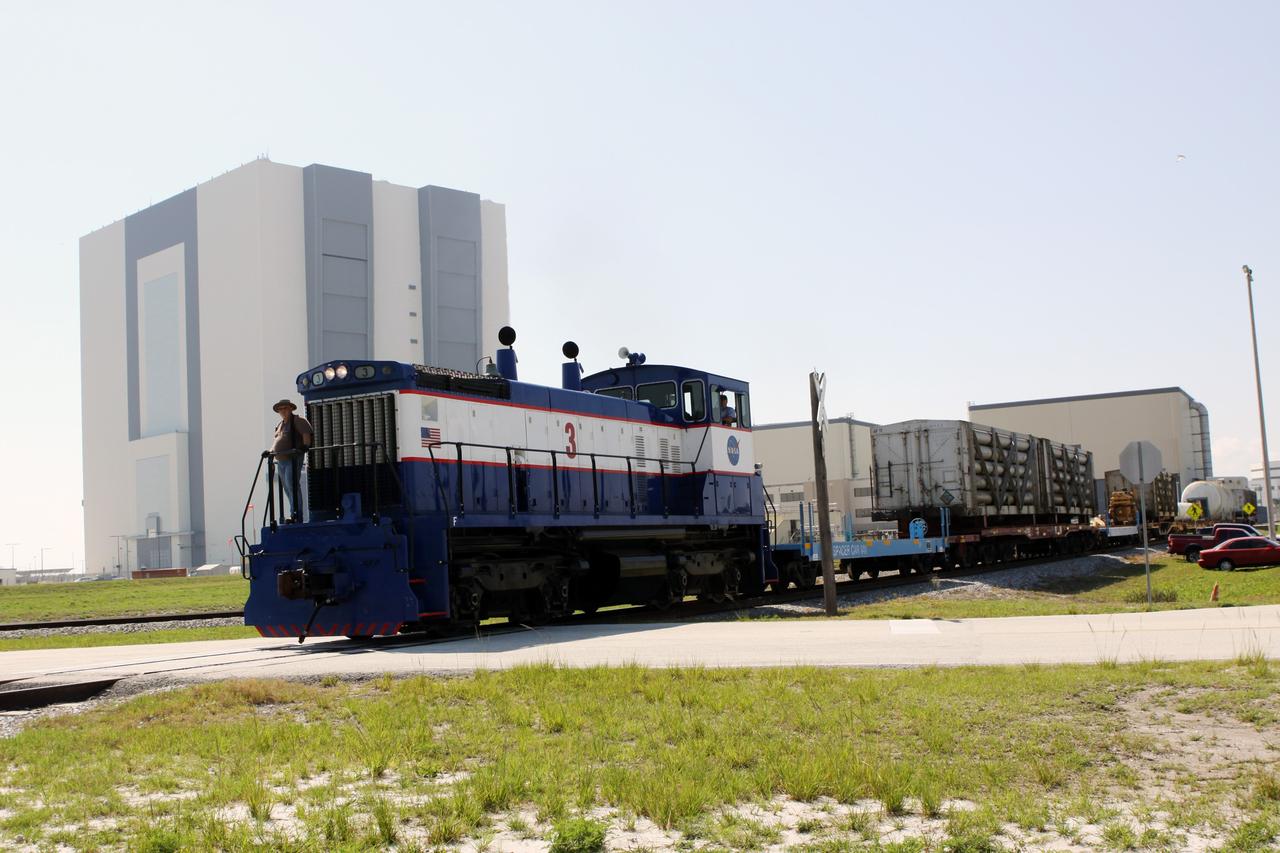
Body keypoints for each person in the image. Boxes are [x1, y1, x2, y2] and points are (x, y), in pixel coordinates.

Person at [271, 399, 313, 521]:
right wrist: (270, 452)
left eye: (285, 408)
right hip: (281, 461)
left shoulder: (298, 421)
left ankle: (296, 514)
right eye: (280, 409)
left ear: (290, 409)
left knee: (292, 484)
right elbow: (277, 441)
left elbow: (306, 435)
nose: (283, 411)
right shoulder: (280, 425)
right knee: (286, 487)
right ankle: (293, 512)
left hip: (292, 459)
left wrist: (303, 447)